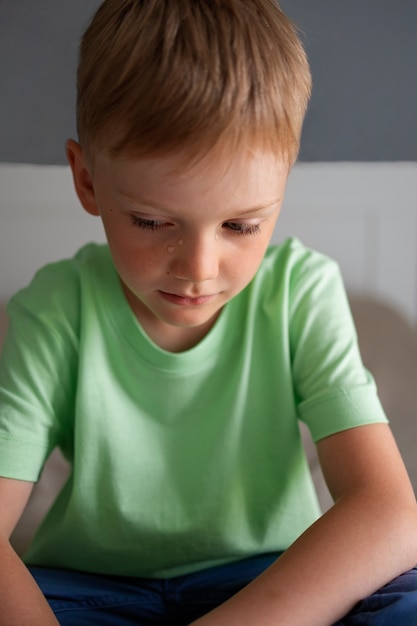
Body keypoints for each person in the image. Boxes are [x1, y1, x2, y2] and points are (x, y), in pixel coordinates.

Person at [1, 1, 417, 624]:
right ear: (87, 181)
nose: (198, 268)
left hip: (275, 580)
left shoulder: (301, 291)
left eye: (241, 225)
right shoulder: (55, 309)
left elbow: (389, 512)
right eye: (151, 221)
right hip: (93, 589)